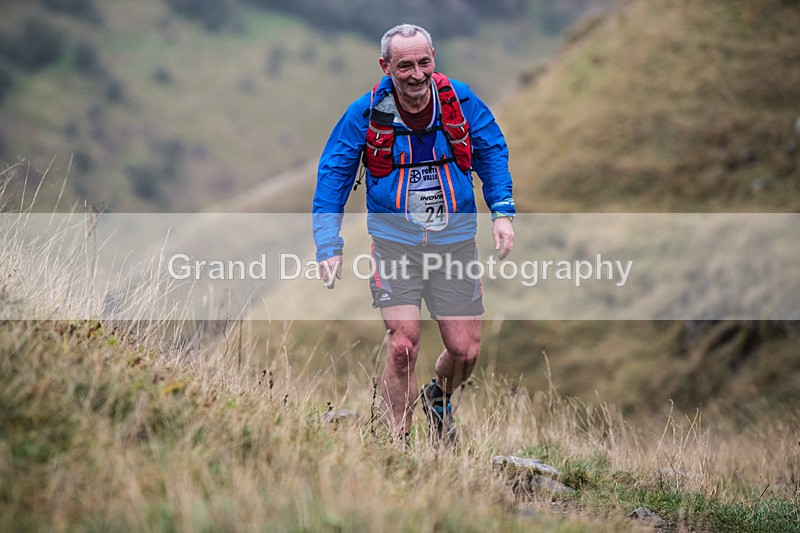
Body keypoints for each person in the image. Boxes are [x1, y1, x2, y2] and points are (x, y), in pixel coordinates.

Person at [312, 24, 515, 446]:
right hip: (395, 245)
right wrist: (328, 243)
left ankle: (437, 397)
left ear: (434, 58)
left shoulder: (459, 100)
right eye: (405, 66)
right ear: (386, 67)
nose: (417, 74)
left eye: (424, 62)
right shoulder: (365, 114)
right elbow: (333, 174)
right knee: (403, 345)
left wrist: (502, 211)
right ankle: (396, 445)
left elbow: (492, 149)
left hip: (454, 245)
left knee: (465, 352)